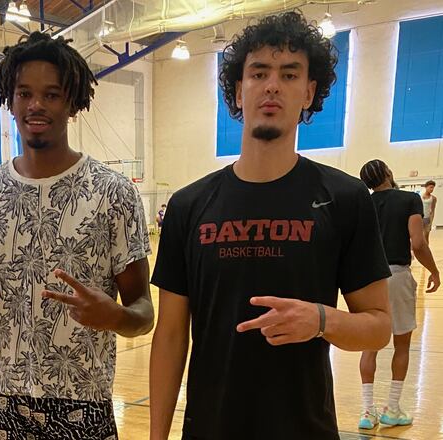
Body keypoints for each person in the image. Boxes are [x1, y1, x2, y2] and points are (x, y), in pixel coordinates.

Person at [149, 12, 392, 440]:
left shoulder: (345, 199)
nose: (272, 85)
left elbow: (378, 325)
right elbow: (169, 337)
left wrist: (320, 319)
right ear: (239, 92)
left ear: (309, 92)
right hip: (210, 429)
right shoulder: (189, 205)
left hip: (305, 428)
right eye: (258, 72)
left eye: (289, 73)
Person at [0, 31, 153, 440]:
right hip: (3, 399)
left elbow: (143, 312)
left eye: (51, 95)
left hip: (84, 398)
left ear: (72, 102)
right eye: (24, 94)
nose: (36, 105)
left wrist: (117, 317)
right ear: (11, 99)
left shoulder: (113, 192)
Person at [357, 160, 439, 429]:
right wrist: (434, 271)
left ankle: (367, 413)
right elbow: (418, 243)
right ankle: (392, 408)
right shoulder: (409, 199)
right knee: (401, 345)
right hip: (397, 275)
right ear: (389, 174)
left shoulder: (363, 203)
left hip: (368, 278)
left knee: (370, 346)